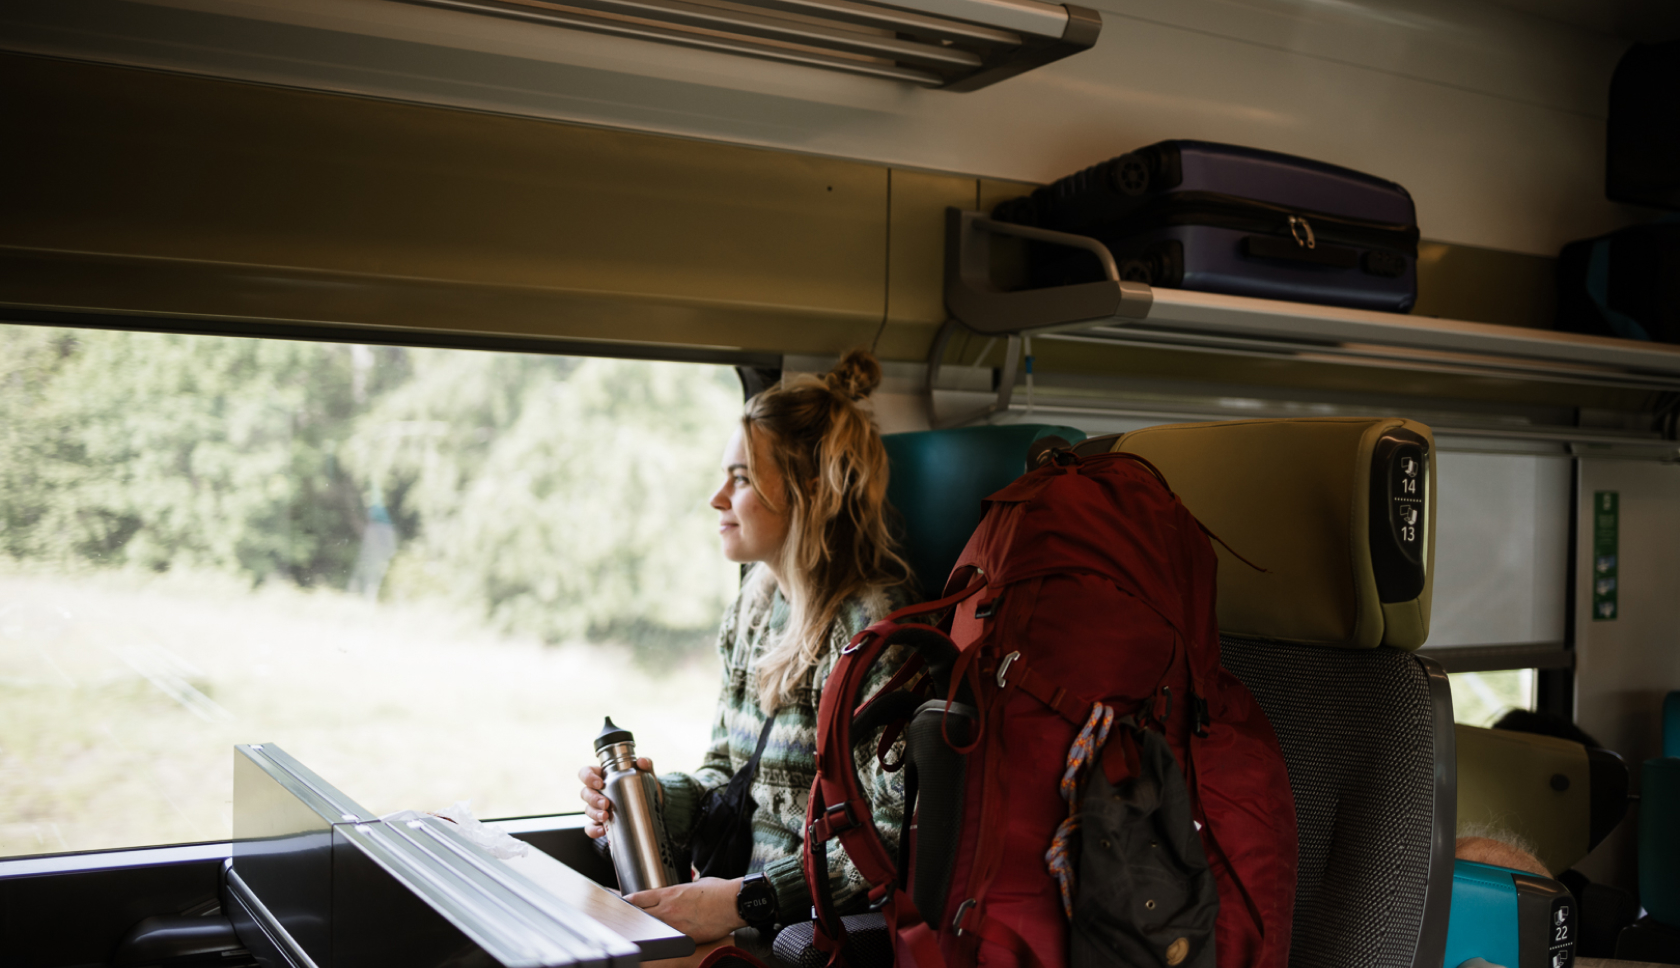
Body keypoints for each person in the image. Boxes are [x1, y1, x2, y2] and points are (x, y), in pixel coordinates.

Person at [577, 350, 914, 955]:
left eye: (739, 478)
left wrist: (742, 900)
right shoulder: (755, 610)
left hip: (804, 935)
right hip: (741, 918)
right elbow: (727, 779)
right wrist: (652, 803)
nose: (716, 499)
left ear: (812, 488)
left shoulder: (872, 632)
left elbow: (893, 836)